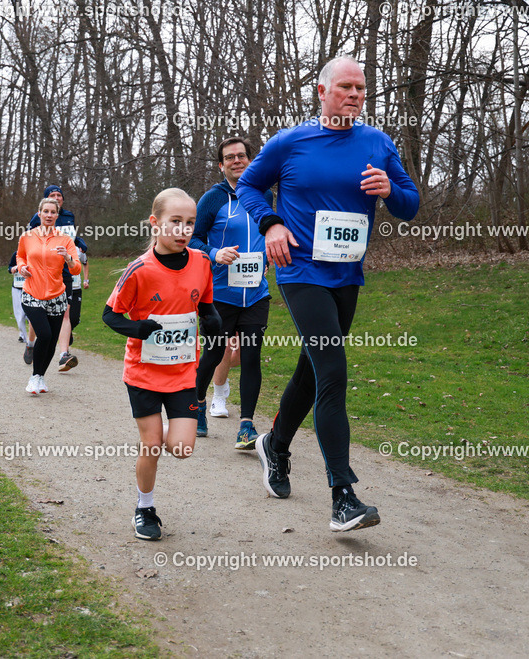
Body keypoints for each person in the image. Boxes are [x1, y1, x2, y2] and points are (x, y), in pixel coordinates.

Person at [237, 56, 419, 532]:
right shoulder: (290, 142)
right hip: (300, 270)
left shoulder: (377, 143)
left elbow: (411, 205)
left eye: (361, 88)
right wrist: (271, 223)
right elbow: (249, 186)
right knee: (333, 371)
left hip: (347, 276)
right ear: (322, 92)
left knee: (312, 371)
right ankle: (343, 496)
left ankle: (275, 444)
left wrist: (390, 190)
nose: (355, 94)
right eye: (345, 87)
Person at [102, 188, 220, 541]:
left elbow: (205, 304)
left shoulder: (202, 261)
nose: (183, 230)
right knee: (152, 445)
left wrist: (213, 320)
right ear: (155, 223)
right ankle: (144, 508)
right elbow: (110, 315)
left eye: (190, 223)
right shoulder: (140, 270)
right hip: (143, 372)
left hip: (182, 372)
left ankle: (156, 434)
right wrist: (138, 328)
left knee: (182, 449)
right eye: (175, 222)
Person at [190, 135, 274, 449]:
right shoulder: (213, 199)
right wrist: (215, 253)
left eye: (241, 155)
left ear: (250, 160)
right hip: (220, 294)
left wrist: (267, 257)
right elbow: (193, 239)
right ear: (221, 165)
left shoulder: (264, 193)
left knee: (251, 357)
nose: (236, 161)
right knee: (213, 354)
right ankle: (197, 405)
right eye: (229, 157)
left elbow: (267, 231)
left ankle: (246, 426)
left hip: (256, 293)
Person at [15, 197, 81, 394]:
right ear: (39, 213)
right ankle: (34, 377)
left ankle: (41, 377)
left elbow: (76, 269)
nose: (49, 215)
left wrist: (68, 258)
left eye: (53, 212)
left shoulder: (65, 239)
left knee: (51, 341)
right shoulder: (27, 236)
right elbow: (20, 256)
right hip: (32, 293)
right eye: (46, 211)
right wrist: (22, 267)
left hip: (57, 296)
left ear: (57, 215)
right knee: (44, 334)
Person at [27, 185, 88, 370]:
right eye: (52, 195)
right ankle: (30, 343)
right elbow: (28, 242)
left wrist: (80, 243)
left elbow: (71, 237)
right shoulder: (37, 218)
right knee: (39, 312)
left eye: (59, 195)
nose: (56, 197)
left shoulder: (69, 216)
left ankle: (63, 355)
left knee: (66, 313)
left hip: (64, 271)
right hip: (43, 272)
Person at [8, 249, 30, 343]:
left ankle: (32, 337)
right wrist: (12, 269)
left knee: (31, 314)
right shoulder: (16, 254)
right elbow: (9, 268)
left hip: (30, 288)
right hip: (17, 287)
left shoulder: (33, 253)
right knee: (19, 314)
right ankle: (22, 335)